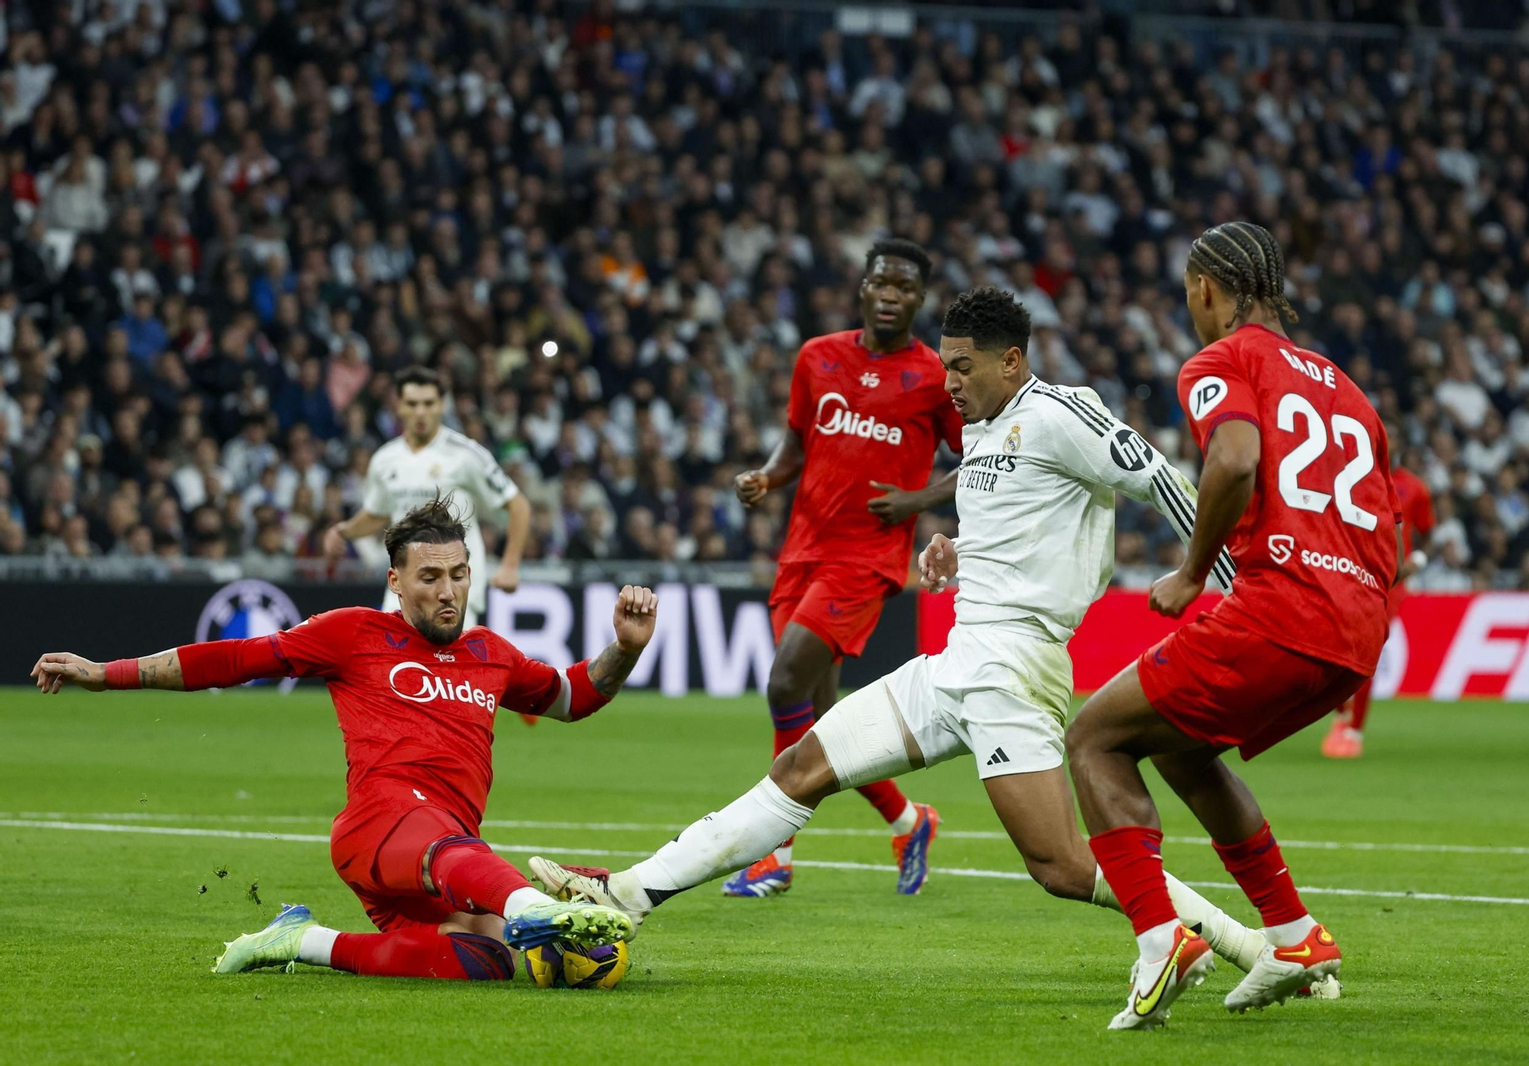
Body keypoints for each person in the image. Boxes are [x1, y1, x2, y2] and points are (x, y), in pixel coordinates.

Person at [519, 287, 1320, 999]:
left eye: (965, 367)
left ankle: (1252, 944)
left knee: (1062, 867)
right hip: (958, 662)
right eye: (946, 366)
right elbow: (1016, 523)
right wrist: (956, 553)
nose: (951, 383)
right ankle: (626, 893)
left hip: (1016, 668)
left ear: (1013, 361)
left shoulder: (1063, 412)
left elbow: (1166, 484)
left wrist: (1234, 580)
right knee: (800, 767)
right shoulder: (980, 431)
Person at [32, 498, 656, 981]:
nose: (447, 591)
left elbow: (573, 698)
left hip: (437, 861)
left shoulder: (492, 654)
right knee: (456, 854)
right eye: (430, 576)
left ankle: (300, 941)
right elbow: (233, 658)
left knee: (486, 960)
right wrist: (104, 674)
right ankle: (530, 907)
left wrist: (625, 650)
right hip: (381, 827)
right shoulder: (351, 633)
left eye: (459, 575)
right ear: (395, 581)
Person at [1065, 222, 1400, 1029]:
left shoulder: (1222, 360)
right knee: (1181, 748)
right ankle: (1291, 935)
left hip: (1281, 609)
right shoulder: (1348, 391)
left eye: (1189, 293)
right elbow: (1382, 529)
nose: (1189, 309)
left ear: (1208, 289)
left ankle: (1159, 941)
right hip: (1355, 633)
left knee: (1093, 740)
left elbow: (1236, 461)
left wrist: (1190, 572)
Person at [727, 238, 964, 897]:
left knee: (783, 687)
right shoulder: (817, 357)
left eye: (905, 287)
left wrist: (919, 501)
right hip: (802, 550)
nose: (891, 293)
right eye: (881, 281)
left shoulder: (935, 376)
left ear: (920, 300)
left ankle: (773, 852)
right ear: (862, 286)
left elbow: (980, 457)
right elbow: (801, 437)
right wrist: (769, 478)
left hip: (866, 558)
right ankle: (908, 818)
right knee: (820, 716)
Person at [324, 365, 530, 631]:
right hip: (404, 585)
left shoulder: (466, 454)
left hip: (453, 588)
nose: (420, 411)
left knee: (450, 670)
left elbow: (518, 504)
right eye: (412, 403)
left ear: (442, 405)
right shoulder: (385, 459)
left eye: (428, 403)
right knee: (394, 667)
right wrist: (343, 531)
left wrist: (510, 566)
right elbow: (376, 514)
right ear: (399, 406)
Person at [1323, 437, 1433, 758]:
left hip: (1391, 582)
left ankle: (1354, 732)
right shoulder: (1344, 479)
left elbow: (1428, 532)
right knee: (1332, 649)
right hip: (1349, 572)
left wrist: (1418, 561)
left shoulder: (1414, 488)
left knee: (1366, 656)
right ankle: (1342, 713)